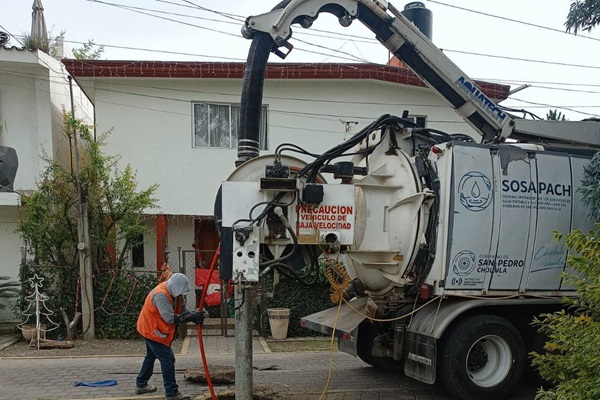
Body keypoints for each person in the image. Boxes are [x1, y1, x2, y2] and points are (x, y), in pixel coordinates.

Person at [135, 272, 204, 400]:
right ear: (176, 287)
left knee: (151, 356)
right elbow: (169, 318)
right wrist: (191, 317)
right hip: (152, 330)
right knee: (168, 359)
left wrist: (193, 317)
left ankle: (141, 384)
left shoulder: (175, 292)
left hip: (152, 328)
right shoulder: (161, 295)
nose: (182, 295)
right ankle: (172, 393)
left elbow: (182, 311)